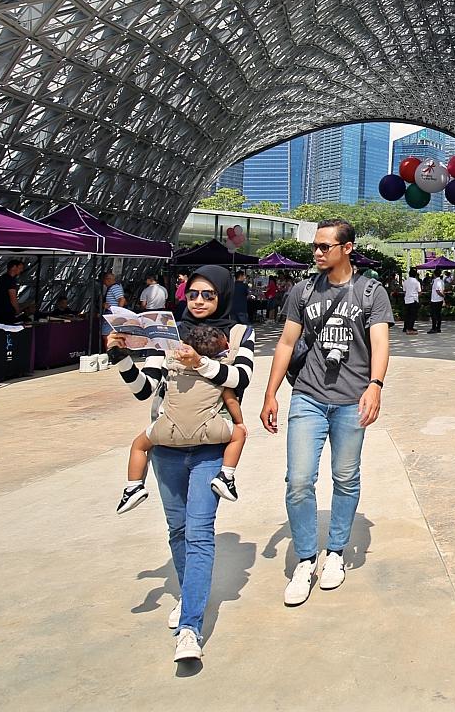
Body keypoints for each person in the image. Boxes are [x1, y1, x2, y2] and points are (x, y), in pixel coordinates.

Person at [106, 263, 254, 664]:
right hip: (168, 448)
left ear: (222, 295)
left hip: (209, 449)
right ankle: (191, 594)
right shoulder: (167, 336)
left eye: (209, 294)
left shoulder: (238, 333)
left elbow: (240, 379)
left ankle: (190, 626)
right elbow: (144, 391)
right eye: (194, 294)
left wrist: (199, 364)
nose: (201, 301)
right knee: (178, 530)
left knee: (200, 533)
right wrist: (121, 358)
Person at [260, 219, 392, 607]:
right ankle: (305, 558)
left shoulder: (370, 291)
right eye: (315, 247)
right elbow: (286, 343)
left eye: (324, 247)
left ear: (346, 248)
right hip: (309, 397)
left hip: (352, 400)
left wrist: (376, 385)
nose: (317, 253)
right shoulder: (302, 291)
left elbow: (381, 342)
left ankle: (335, 551)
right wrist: (270, 393)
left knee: (346, 478)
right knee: (299, 481)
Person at [115, 318, 251, 513]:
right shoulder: (219, 373)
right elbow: (231, 401)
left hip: (167, 429)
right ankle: (226, 476)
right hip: (209, 428)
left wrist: (121, 356)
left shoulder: (173, 368)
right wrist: (240, 423)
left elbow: (150, 389)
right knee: (239, 435)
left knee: (138, 445)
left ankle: (134, 486)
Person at [0, 258, 32, 382]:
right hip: (7, 316)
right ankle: (17, 368)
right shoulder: (10, 281)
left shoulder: (0, 279)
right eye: (20, 267)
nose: (22, 270)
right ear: (14, 267)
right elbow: (13, 298)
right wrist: (18, 310)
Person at [401, 269, 422, 335]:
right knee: (412, 315)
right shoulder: (417, 282)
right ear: (415, 274)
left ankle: (405, 327)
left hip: (407, 300)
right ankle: (410, 327)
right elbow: (419, 292)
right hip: (414, 300)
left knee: (407, 314)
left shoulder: (405, 282)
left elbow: (404, 291)